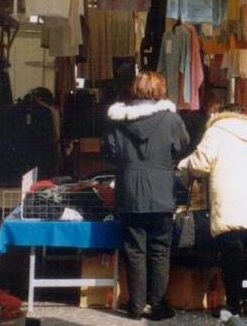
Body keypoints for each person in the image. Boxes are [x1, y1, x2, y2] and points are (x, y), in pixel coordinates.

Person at [102, 71, 190, 321]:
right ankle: (158, 305)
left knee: (134, 251)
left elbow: (108, 151)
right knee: (160, 251)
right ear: (160, 90)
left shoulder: (117, 119)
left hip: (130, 192)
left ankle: (136, 305)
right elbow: (182, 145)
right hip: (161, 191)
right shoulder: (171, 118)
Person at [178, 104, 247, 319]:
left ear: (220, 115)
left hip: (229, 199)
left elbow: (200, 165)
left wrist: (186, 165)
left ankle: (233, 305)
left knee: (232, 257)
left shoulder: (216, 131)